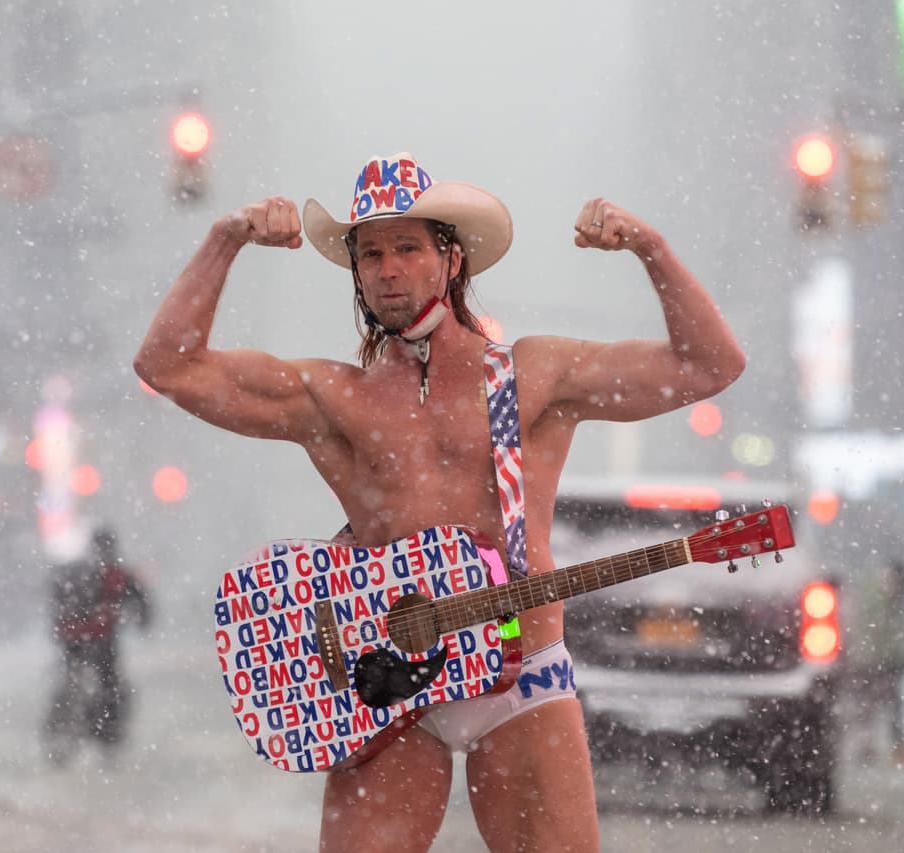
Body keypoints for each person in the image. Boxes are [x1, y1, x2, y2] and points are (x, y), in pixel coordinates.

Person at [134, 152, 745, 852]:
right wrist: (226, 238)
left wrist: (650, 248)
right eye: (370, 254)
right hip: (386, 681)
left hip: (524, 675)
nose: (387, 269)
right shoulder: (338, 399)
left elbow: (710, 364)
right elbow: (168, 366)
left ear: (451, 260)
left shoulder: (533, 375)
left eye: (406, 248)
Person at [47, 525, 152, 749]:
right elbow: (140, 601)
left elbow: (57, 596)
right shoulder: (117, 574)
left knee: (72, 680)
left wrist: (62, 625)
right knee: (110, 684)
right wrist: (141, 620)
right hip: (101, 640)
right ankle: (107, 731)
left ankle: (64, 723)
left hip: (73, 638)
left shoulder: (76, 571)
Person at [853, 557, 904, 767]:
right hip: (873, 662)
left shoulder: (882, 594)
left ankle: (871, 747)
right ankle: (880, 748)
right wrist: (892, 657)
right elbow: (880, 632)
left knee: (877, 706)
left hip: (876, 661)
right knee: (881, 706)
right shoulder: (880, 597)